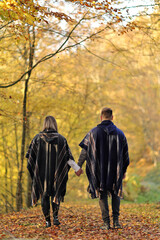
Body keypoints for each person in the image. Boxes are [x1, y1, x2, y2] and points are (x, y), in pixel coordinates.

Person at [26, 116, 83, 228]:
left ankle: (47, 221)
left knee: (45, 195)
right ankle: (55, 217)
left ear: (44, 124)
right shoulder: (61, 139)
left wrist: (35, 171)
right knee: (55, 193)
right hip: (57, 173)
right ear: (55, 124)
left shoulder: (37, 139)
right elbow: (68, 158)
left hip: (42, 174)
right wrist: (77, 168)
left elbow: (30, 158)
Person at [78, 107, 129, 230]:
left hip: (98, 170)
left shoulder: (92, 133)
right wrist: (123, 170)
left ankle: (106, 223)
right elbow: (125, 155)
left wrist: (78, 166)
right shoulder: (120, 134)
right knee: (115, 192)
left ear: (101, 117)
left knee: (102, 194)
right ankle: (116, 222)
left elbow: (84, 152)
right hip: (114, 170)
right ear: (112, 117)